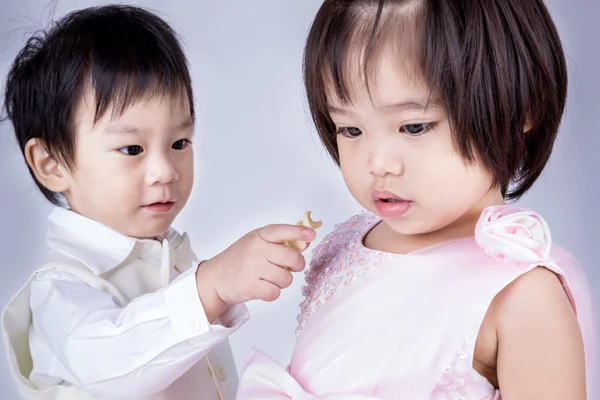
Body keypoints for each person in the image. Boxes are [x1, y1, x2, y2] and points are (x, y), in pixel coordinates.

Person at [237, 0, 598, 398]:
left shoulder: (523, 298)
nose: (377, 164)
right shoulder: (349, 242)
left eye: (413, 126)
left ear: (520, 105)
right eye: (350, 130)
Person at [1, 5, 315, 399]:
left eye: (179, 143)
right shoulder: (60, 288)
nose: (165, 170)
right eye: (132, 148)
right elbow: (111, 364)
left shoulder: (169, 255)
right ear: (52, 163)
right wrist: (212, 285)